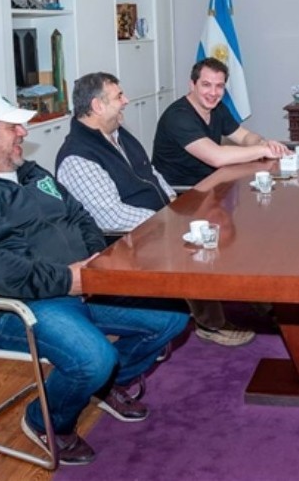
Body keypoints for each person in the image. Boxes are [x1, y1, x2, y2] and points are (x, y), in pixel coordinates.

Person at [0, 92, 188, 466]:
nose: (24, 132)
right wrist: (64, 280)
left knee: (173, 317)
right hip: (20, 305)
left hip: (82, 282)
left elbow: (82, 217)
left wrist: (93, 263)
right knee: (93, 358)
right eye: (12, 127)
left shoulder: (34, 174)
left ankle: (105, 385)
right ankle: (45, 421)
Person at [55, 72, 255, 348]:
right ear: (97, 106)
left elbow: (151, 172)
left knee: (219, 227)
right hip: (126, 242)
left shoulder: (116, 133)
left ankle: (248, 299)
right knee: (203, 241)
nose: (126, 101)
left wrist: (175, 204)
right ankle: (212, 323)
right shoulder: (78, 156)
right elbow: (110, 217)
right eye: (118, 97)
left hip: (159, 222)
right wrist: (170, 221)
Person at [152, 58, 290, 187]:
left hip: (210, 184)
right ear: (192, 85)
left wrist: (264, 144)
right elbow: (217, 157)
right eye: (206, 85)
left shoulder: (217, 108)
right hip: (181, 194)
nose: (213, 93)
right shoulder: (178, 117)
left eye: (219, 86)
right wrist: (263, 150)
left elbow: (244, 136)